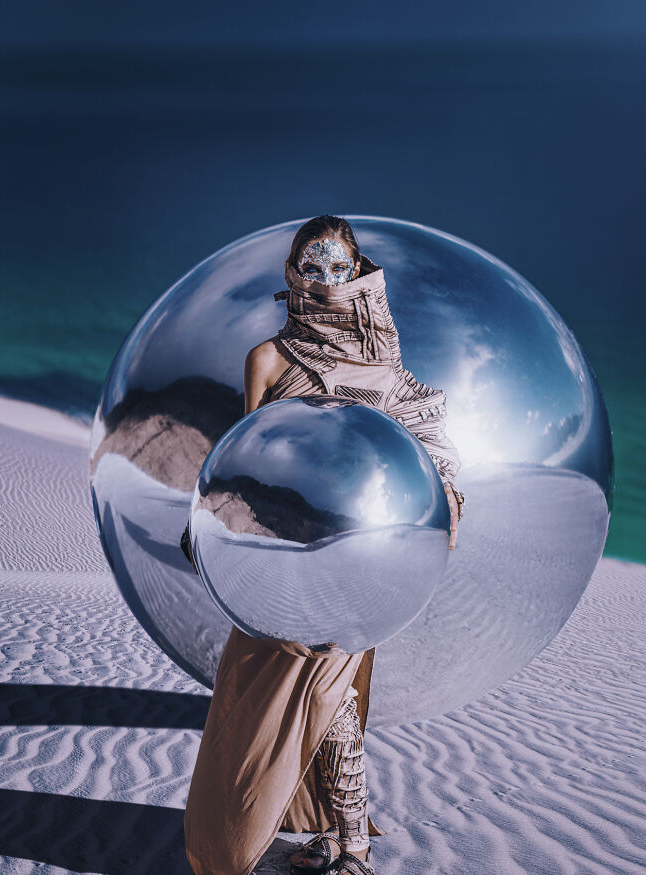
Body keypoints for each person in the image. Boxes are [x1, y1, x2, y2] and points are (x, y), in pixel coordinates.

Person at [182, 215, 463, 875]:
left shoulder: (382, 362)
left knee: (332, 688)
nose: (326, 279)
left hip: (358, 561)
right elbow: (242, 462)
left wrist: (445, 502)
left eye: (339, 267)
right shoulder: (268, 358)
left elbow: (428, 438)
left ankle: (352, 849)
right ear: (293, 273)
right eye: (313, 266)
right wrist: (209, 527)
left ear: (357, 272)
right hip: (277, 560)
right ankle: (322, 830)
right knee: (251, 696)